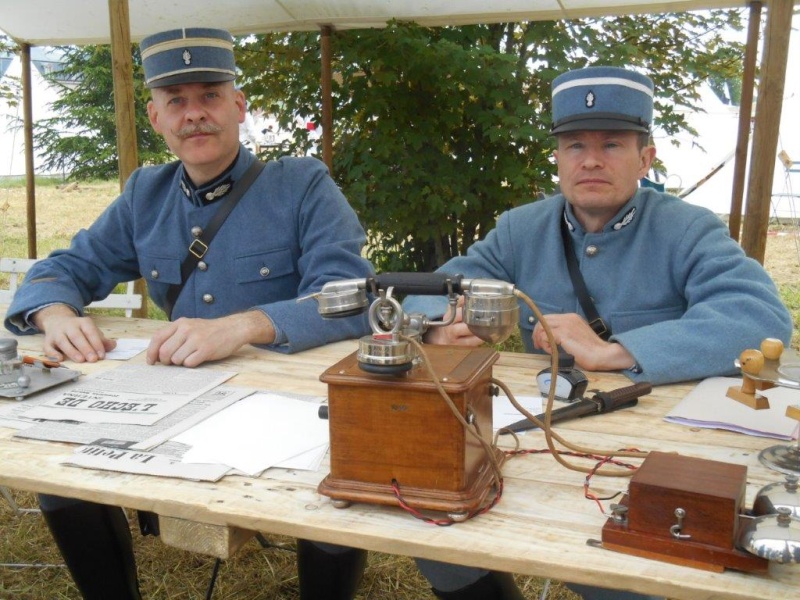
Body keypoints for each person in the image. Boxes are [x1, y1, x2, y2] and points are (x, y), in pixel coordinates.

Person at [4, 27, 373, 600]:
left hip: (285, 407)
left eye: (209, 96)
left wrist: (247, 324)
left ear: (239, 105)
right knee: (60, 477)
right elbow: (63, 268)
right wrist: (54, 313)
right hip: (172, 399)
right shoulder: (143, 195)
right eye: (177, 101)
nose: (194, 114)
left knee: (341, 475)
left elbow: (351, 296)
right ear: (155, 117)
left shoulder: (301, 185)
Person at [403, 66, 794, 599]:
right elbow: (435, 289)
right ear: (558, 158)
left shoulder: (687, 228)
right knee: (435, 532)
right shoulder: (522, 228)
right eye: (574, 145)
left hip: (645, 459)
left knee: (625, 582)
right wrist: (435, 328)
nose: (590, 159)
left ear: (646, 158)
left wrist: (616, 350)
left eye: (612, 144)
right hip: (536, 446)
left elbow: (761, 322)